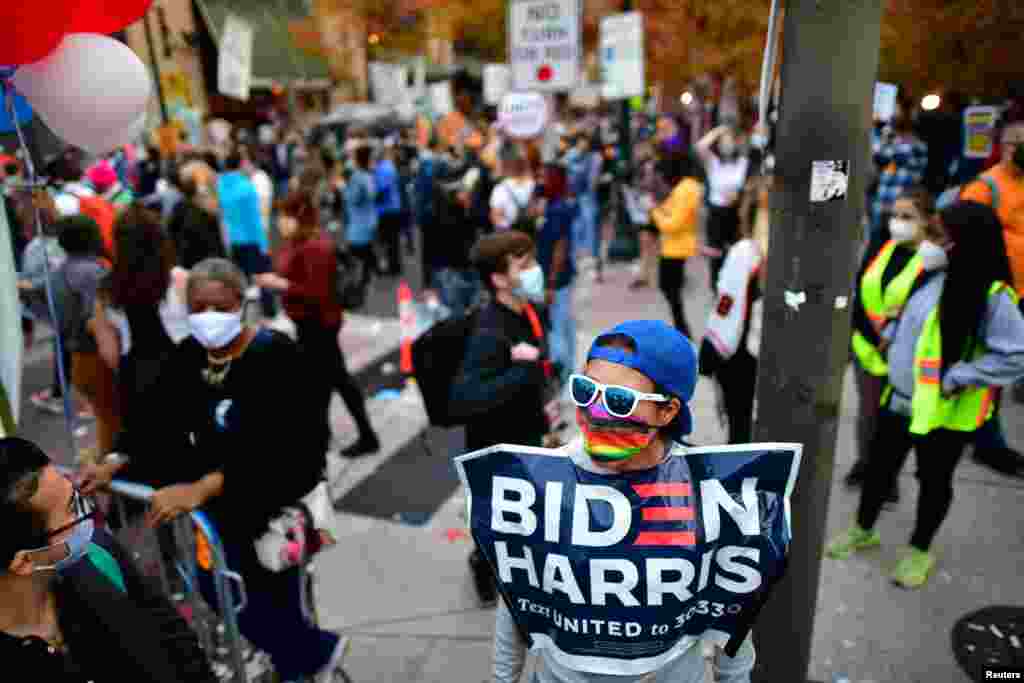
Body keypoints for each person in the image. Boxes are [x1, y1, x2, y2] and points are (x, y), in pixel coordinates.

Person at [89, 258, 348, 681]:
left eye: (218, 306)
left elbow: (295, 448)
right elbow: (155, 418)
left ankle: (304, 660)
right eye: (198, 307)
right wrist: (115, 461)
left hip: (272, 510)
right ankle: (311, 654)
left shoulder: (276, 355)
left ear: (240, 305)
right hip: (222, 515)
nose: (208, 318)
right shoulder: (190, 355)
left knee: (277, 598)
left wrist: (208, 485)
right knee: (222, 590)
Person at [493, 320, 756, 683]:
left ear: (667, 411)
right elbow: (515, 596)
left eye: (619, 400)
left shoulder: (711, 494)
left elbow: (733, 617)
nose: (595, 413)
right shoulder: (540, 484)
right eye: (586, 391)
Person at [826, 202, 1024, 588]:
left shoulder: (992, 295)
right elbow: (915, 321)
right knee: (879, 469)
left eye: (938, 236)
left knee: (934, 481)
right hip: (898, 399)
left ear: (963, 243)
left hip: (943, 412)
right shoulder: (929, 273)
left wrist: (960, 376)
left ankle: (920, 550)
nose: (928, 243)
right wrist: (893, 337)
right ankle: (864, 529)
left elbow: (1016, 354)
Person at [0, 436, 217, 682]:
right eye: (71, 513)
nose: (88, 523)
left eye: (78, 500)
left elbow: (170, 629)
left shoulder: (98, 558)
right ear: (26, 562)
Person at [450, 231, 553, 605]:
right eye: (523, 265)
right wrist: (522, 371)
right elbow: (463, 399)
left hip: (524, 433)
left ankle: (514, 569)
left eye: (532, 261)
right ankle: (482, 565)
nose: (534, 270)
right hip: (494, 445)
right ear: (498, 279)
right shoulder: (489, 330)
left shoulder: (528, 309)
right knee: (495, 521)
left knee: (521, 519)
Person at [256, 190, 381, 458]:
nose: (279, 223)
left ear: (298, 217)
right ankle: (332, 437)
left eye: (284, 217)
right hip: (311, 323)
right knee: (324, 381)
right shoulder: (300, 242)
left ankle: (359, 436)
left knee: (328, 381)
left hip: (319, 324)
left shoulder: (314, 246)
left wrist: (282, 285)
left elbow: (317, 293)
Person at [83, 206, 194, 490]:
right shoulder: (180, 279)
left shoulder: (106, 291)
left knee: (149, 456)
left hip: (137, 376)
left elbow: (110, 354)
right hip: (184, 369)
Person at [845, 187, 939, 495]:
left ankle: (887, 477)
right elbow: (858, 293)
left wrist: (893, 342)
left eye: (907, 216)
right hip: (867, 348)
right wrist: (873, 339)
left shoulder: (932, 262)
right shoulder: (881, 245)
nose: (897, 222)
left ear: (926, 221)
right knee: (868, 413)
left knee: (895, 421)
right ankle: (865, 464)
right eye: (894, 215)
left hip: (905, 355)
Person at [699, 178, 770, 445]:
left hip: (741, 357)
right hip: (763, 354)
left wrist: (709, 353)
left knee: (740, 431)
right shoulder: (792, 254)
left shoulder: (745, 252)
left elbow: (726, 306)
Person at [57, 215, 121, 456]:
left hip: (77, 357)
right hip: (96, 356)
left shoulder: (61, 270)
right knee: (112, 419)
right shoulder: (93, 272)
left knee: (105, 418)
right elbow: (96, 317)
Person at [651, 151, 704, 338]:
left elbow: (673, 224)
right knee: (669, 288)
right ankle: (680, 326)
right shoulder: (686, 187)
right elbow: (672, 209)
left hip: (677, 246)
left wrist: (654, 212)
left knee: (670, 288)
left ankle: (682, 328)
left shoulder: (686, 189)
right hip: (674, 245)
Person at [218, 151, 275, 318]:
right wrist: (264, 245)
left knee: (239, 281)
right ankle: (269, 312)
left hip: (233, 240)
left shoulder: (220, 185)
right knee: (264, 277)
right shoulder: (246, 187)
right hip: (251, 239)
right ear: (241, 164)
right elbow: (255, 220)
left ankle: (239, 314)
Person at [536, 163, 578, 384]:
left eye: (544, 176)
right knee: (565, 326)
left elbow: (560, 248)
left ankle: (561, 378)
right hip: (559, 276)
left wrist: (551, 282)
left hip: (556, 278)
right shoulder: (554, 206)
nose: (539, 180)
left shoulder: (558, 209)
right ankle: (568, 373)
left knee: (557, 329)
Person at [696, 125, 750, 287]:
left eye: (730, 141)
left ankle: (734, 284)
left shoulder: (742, 163)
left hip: (735, 212)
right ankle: (716, 285)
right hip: (716, 212)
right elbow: (700, 146)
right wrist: (719, 131)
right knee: (716, 251)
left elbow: (747, 186)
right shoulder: (713, 163)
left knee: (735, 250)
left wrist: (738, 195)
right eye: (723, 142)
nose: (727, 144)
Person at [871, 109, 928, 237]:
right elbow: (878, 156)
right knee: (877, 246)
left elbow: (893, 156)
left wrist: (885, 137)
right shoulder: (893, 144)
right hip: (882, 205)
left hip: (900, 208)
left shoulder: (917, 147)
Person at [167, 175, 226, 269]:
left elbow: (171, 231)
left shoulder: (179, 207)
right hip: (206, 258)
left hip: (186, 256)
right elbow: (216, 239)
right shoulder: (205, 211)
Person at [344, 144, 380, 291]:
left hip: (358, 225)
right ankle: (367, 279)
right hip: (369, 220)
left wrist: (343, 190)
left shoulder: (357, 177)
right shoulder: (369, 176)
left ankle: (359, 284)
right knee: (366, 253)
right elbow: (372, 195)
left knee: (356, 255)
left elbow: (352, 199)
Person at [490, 142, 537, 232]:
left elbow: (496, 216)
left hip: (510, 236)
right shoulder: (536, 186)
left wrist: (508, 229)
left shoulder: (500, 189)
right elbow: (540, 212)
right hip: (532, 237)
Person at [374, 143, 405, 276]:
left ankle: (393, 267)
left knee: (389, 241)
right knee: (392, 241)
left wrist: (372, 197)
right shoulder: (387, 166)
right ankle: (394, 266)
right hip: (392, 208)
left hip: (387, 210)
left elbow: (382, 190)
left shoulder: (383, 168)